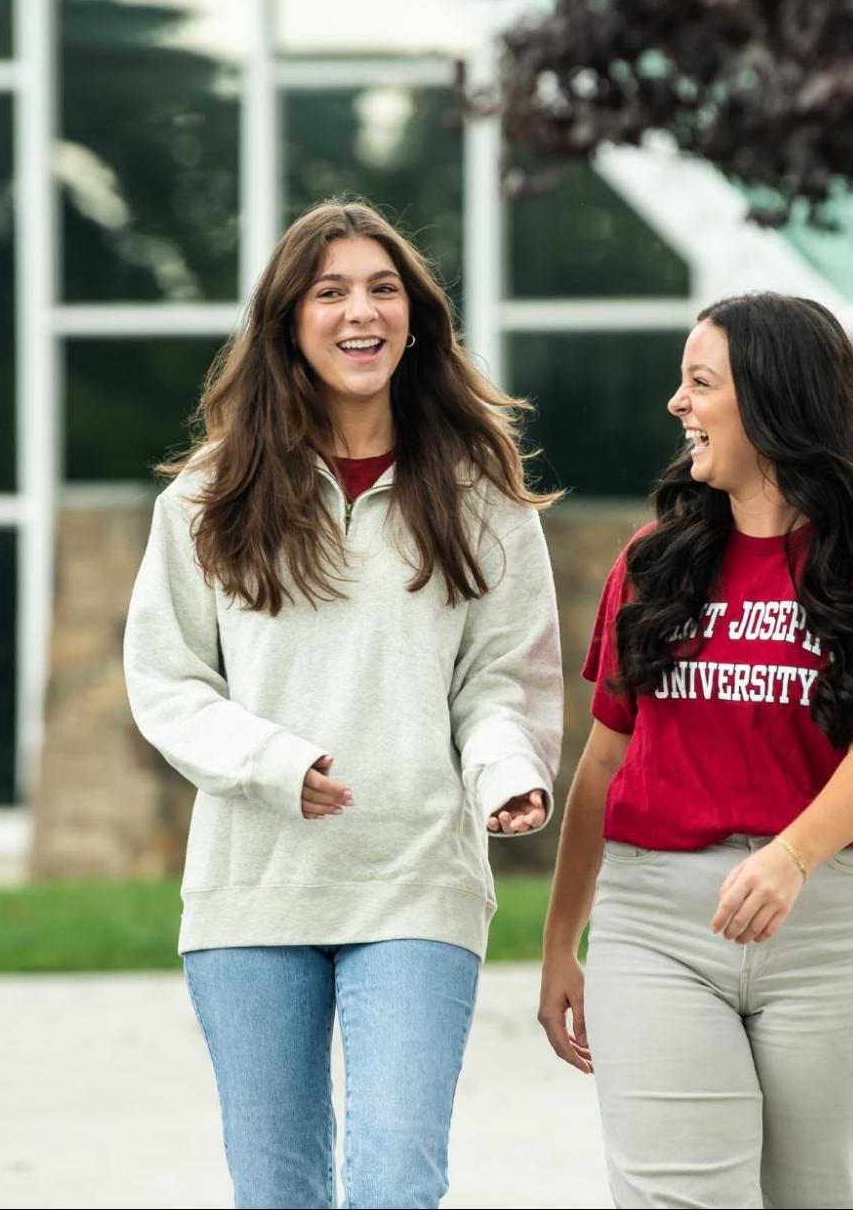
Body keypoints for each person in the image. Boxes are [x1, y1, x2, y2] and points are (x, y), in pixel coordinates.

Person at [123, 198, 563, 1209]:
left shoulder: (480, 493)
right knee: (278, 1193)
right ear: (288, 323)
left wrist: (507, 772)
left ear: (415, 318)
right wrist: (277, 765)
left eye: (381, 288)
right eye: (329, 292)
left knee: (395, 1182)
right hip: (252, 888)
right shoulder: (204, 499)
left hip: (415, 876)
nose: (358, 312)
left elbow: (504, 675)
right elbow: (169, 680)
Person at [538, 292, 853, 1208]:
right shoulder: (654, 558)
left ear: (775, 401)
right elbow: (603, 763)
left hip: (831, 925)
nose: (676, 403)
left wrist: (790, 856)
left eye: (699, 382)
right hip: (656, 926)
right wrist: (559, 940)